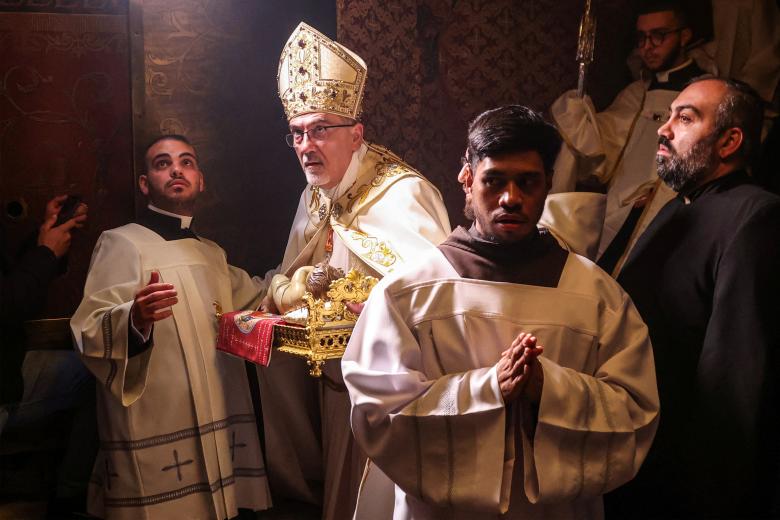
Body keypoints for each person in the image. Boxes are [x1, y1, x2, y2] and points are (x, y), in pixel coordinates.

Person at [343, 105, 659, 519]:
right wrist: (489, 388)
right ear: (467, 179)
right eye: (494, 181)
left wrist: (549, 388)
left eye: (527, 182)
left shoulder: (598, 297)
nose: (511, 198)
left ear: (548, 184)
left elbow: (635, 412)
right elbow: (377, 413)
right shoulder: (408, 293)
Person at [258, 22, 451, 520]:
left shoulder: (403, 193)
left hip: (390, 386)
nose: (306, 145)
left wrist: (380, 315)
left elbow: (438, 298)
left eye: (320, 129)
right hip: (330, 378)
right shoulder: (313, 194)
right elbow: (294, 272)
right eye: (297, 133)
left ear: (356, 133)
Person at [70, 135, 271, 520]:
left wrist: (300, 279)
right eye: (162, 163)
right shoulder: (121, 243)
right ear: (145, 183)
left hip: (216, 415)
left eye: (186, 162)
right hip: (157, 421)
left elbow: (257, 295)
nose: (176, 169)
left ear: (200, 180)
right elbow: (88, 329)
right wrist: (134, 319)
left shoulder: (211, 253)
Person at [609, 78, 780, 518]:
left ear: (729, 141)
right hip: (637, 452)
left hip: (686, 476)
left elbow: (735, 373)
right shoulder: (674, 209)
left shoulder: (755, 215)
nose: (664, 129)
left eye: (685, 118)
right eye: (668, 117)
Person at [551, 0, 705, 274]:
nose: (648, 46)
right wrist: (577, 114)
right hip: (622, 213)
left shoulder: (705, 92)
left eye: (659, 35)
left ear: (685, 35)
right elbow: (600, 152)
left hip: (672, 215)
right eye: (641, 38)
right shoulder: (636, 93)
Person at [1, 194, 87, 431]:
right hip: (5, 384)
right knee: (100, 378)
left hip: (10, 364)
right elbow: (10, 305)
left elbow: (11, 280)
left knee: (98, 370)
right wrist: (46, 253)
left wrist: (48, 236)